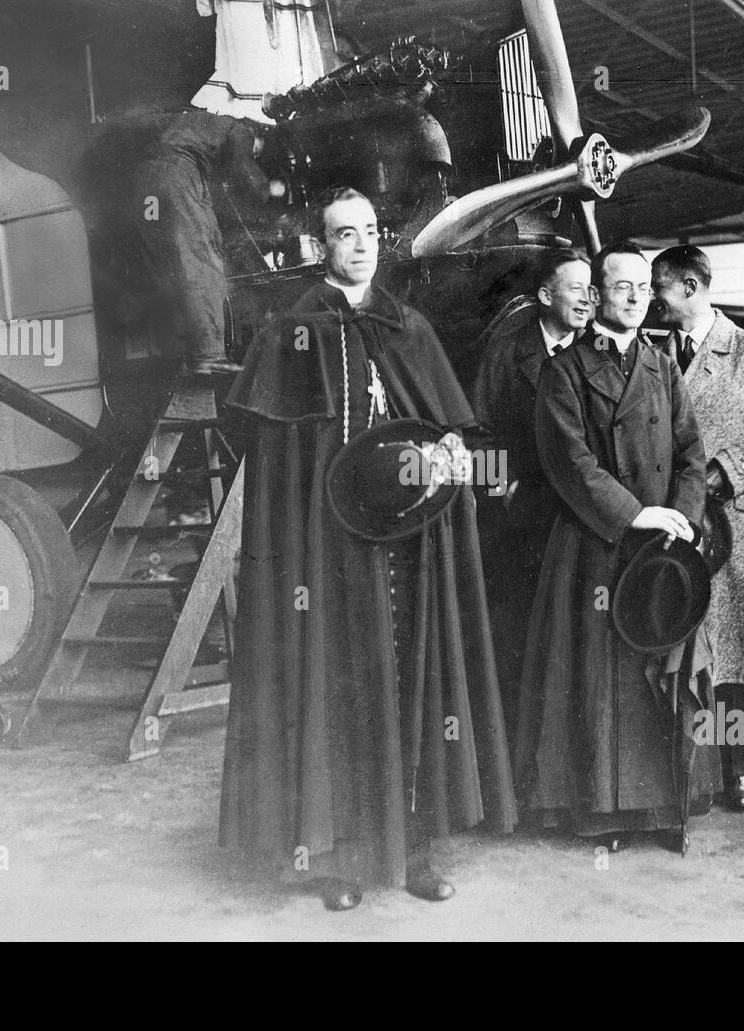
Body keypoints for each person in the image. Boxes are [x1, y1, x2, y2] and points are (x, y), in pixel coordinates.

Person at [218, 187, 516, 910]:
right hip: (326, 552)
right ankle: (339, 856)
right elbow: (272, 458)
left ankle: (411, 850)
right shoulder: (290, 331)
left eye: (371, 232)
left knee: (414, 685)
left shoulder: (406, 324)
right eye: (343, 235)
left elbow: (449, 428)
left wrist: (450, 448)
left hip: (408, 547)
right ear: (320, 246)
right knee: (335, 691)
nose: (360, 246)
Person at [514, 241, 709, 852]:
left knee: (659, 671)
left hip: (661, 548)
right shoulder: (565, 368)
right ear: (596, 294)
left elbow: (691, 454)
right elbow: (566, 460)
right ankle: (602, 812)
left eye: (643, 287)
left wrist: (681, 515)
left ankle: (658, 810)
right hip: (597, 543)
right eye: (621, 286)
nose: (634, 297)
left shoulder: (662, 363)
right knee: (600, 682)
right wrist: (635, 514)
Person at [651, 245, 744, 812]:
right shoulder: (653, 353)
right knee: (678, 646)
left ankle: (735, 769)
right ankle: (684, 773)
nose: (652, 299)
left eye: (659, 287)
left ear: (690, 286)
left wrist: (723, 473)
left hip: (734, 522)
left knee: (733, 656)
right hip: (674, 522)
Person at [470, 248, 591, 735]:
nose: (588, 299)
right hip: (520, 523)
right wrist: (505, 488)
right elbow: (475, 432)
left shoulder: (595, 353)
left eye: (592, 288)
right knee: (519, 641)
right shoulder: (504, 354)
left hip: (581, 519)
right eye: (575, 288)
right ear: (544, 296)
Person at [132, 109, 278, 376]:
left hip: (144, 187)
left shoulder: (190, 125)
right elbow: (245, 170)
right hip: (176, 178)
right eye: (257, 150)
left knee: (165, 267)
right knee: (199, 264)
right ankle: (209, 355)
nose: (254, 153)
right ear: (256, 133)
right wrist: (269, 191)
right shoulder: (238, 129)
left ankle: (179, 355)